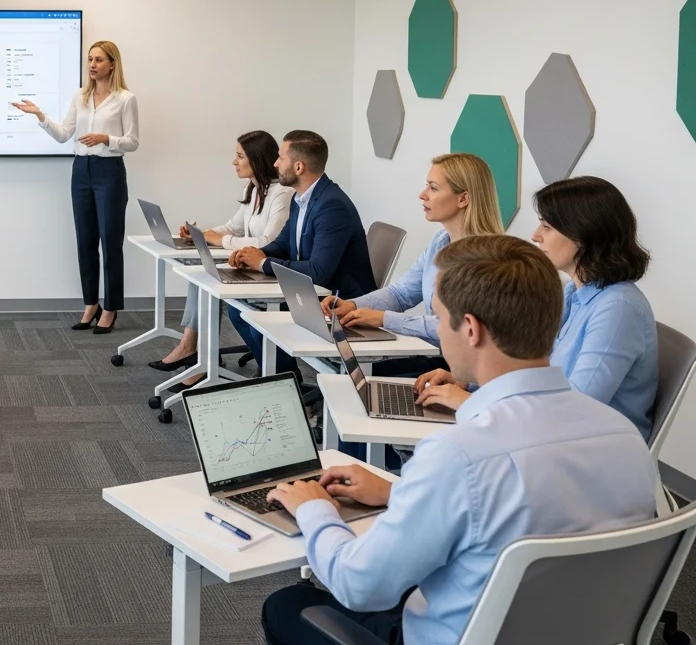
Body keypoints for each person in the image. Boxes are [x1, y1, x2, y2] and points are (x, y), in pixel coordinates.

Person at [259, 234, 657, 645]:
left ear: (470, 329)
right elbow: (513, 514)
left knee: (289, 602)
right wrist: (400, 493)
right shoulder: (625, 437)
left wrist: (315, 510)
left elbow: (358, 584)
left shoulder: (459, 456)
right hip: (574, 630)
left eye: (437, 316)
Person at [414, 175, 658, 440]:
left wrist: (470, 402)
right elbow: (532, 370)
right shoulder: (574, 293)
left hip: (585, 451)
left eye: (546, 226)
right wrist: (468, 382)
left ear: (583, 234)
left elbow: (574, 410)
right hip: (543, 431)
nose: (535, 236)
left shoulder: (618, 309)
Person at [321, 153, 504, 378]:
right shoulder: (440, 240)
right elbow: (402, 293)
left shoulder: (486, 258)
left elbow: (456, 327)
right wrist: (351, 305)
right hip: (434, 355)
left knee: (357, 377)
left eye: (434, 188)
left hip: (460, 369)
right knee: (346, 370)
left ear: (463, 199)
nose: (422, 195)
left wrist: (385, 319)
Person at [13, 40, 138, 334]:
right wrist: (40, 116)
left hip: (110, 171)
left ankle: (110, 308)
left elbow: (133, 141)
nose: (92, 65)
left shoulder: (125, 99)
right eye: (89, 60)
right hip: (81, 171)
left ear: (112, 65)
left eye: (98, 60)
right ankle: (90, 303)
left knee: (110, 243)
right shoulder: (80, 97)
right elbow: (64, 134)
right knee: (85, 242)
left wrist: (106, 139)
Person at [225, 130, 374, 377]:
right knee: (238, 310)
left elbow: (318, 272)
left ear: (298, 166)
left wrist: (262, 263)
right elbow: (283, 244)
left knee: (255, 317)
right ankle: (278, 377)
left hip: (334, 300)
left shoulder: (331, 205)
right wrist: (251, 253)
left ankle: (286, 384)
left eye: (280, 158)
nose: (275, 163)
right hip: (310, 291)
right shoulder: (301, 198)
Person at [149, 130, 292, 383]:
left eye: (239, 156)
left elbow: (269, 242)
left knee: (208, 279)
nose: (234, 162)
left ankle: (194, 352)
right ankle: (194, 350)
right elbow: (233, 226)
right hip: (249, 263)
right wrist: (201, 234)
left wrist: (218, 239)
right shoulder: (255, 188)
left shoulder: (281, 193)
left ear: (257, 159)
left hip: (269, 268)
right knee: (201, 273)